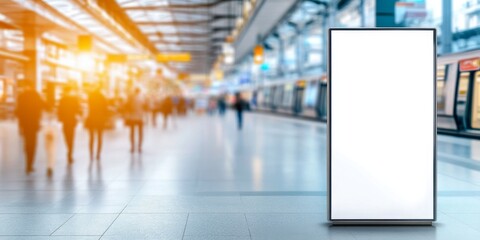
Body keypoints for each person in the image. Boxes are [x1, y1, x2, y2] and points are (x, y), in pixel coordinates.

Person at [16, 81, 46, 174]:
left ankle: (28, 164)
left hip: (25, 123)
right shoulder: (35, 95)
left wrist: (20, 125)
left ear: (26, 86)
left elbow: (18, 111)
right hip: (33, 123)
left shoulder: (21, 96)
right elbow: (44, 105)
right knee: (33, 143)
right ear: (32, 86)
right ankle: (30, 164)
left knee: (27, 143)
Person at [57, 86, 81, 164]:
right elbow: (78, 109)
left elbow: (59, 110)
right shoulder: (74, 99)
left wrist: (60, 118)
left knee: (67, 137)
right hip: (71, 121)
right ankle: (70, 153)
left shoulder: (62, 100)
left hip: (65, 122)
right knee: (71, 138)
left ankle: (69, 151)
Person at [85, 87, 108, 161]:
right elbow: (105, 110)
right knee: (99, 137)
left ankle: (91, 154)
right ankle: (98, 154)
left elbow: (89, 108)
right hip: (100, 120)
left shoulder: (90, 97)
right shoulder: (102, 97)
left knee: (91, 138)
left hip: (92, 119)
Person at [124, 88, 146, 153]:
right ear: (139, 91)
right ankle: (139, 146)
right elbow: (145, 107)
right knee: (140, 133)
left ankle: (132, 146)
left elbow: (127, 106)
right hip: (140, 117)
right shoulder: (142, 98)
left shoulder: (131, 97)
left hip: (132, 117)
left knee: (132, 132)